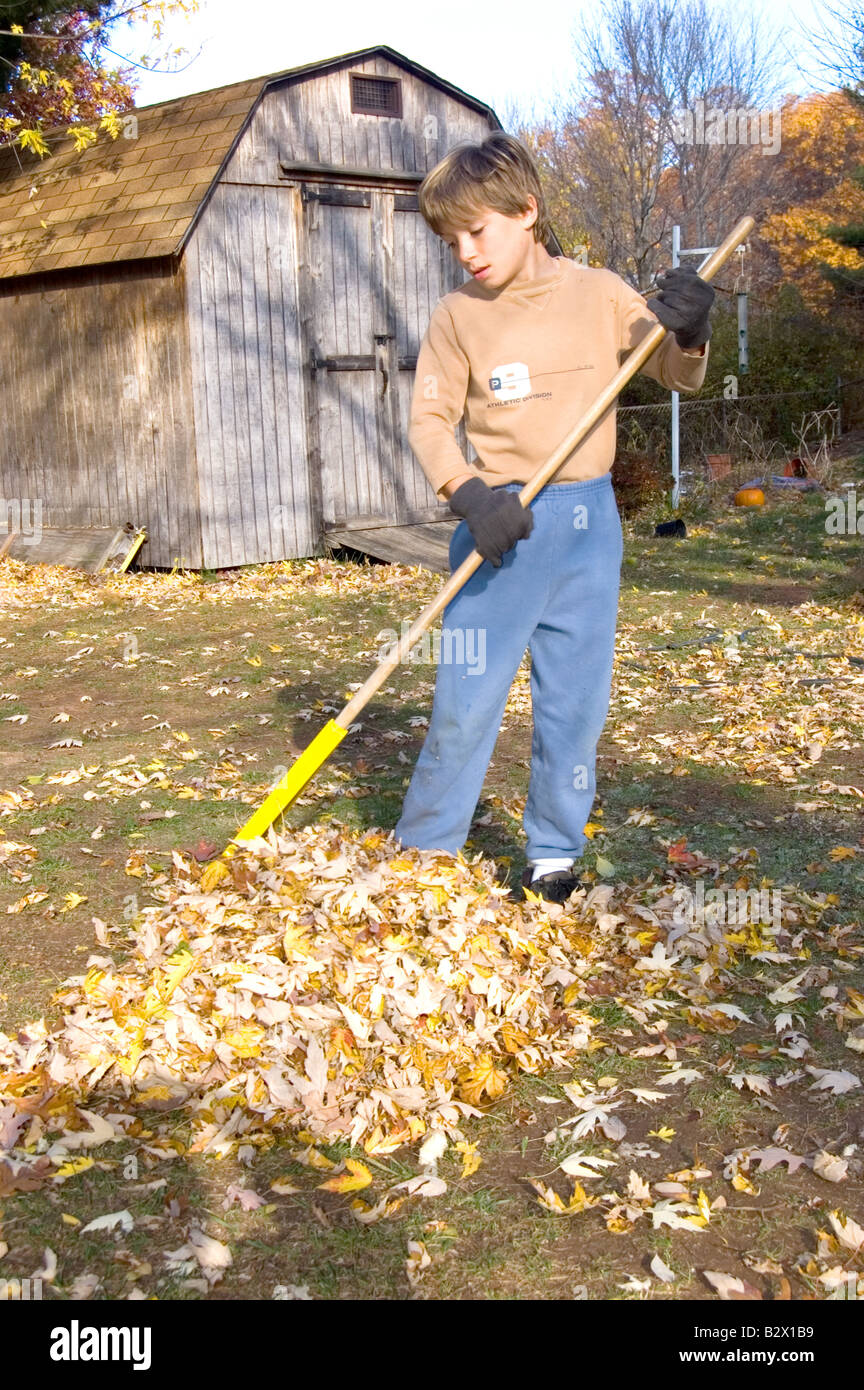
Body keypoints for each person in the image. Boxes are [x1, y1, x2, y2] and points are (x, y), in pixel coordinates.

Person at [394, 132, 713, 902]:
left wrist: (693, 327)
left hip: (589, 528)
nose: (465, 251)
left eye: (477, 231)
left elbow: (673, 371)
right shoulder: (457, 316)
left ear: (527, 210)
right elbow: (430, 423)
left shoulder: (599, 292)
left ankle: (552, 851)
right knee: (466, 701)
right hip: (502, 527)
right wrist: (468, 495)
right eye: (451, 240)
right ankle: (427, 850)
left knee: (575, 701)